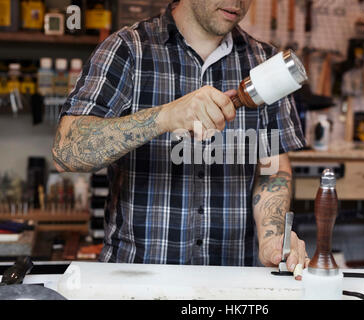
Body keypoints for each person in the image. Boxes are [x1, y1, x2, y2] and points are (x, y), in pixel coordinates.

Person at [52, 0, 309, 278]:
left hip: (233, 280)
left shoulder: (264, 62)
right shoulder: (128, 49)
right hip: (135, 281)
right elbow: (66, 151)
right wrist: (165, 117)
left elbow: (272, 170)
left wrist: (271, 236)